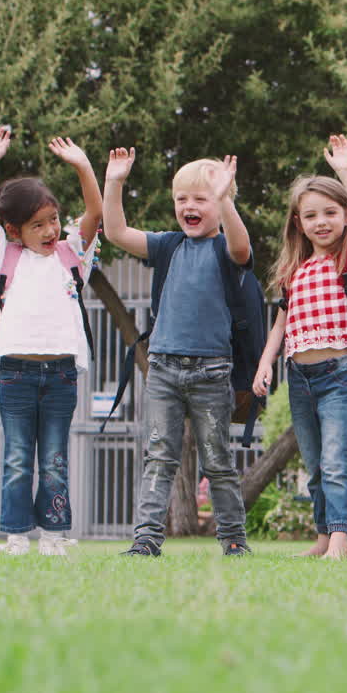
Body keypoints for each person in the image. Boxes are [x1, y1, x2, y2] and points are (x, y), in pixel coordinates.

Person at [103, 146, 253, 558]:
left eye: (201, 199)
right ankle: (146, 539)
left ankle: (233, 540)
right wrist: (114, 182)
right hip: (164, 369)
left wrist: (226, 199)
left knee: (217, 459)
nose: (189, 206)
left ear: (220, 206)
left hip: (212, 372)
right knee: (159, 456)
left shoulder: (224, 250)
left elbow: (242, 249)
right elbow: (116, 232)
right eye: (181, 199)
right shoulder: (168, 246)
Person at [0, 127, 102, 556]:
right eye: (37, 225)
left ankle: (53, 536)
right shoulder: (5, 257)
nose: (49, 231)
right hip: (15, 375)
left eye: (53, 221)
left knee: (54, 460)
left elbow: (95, 214)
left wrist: (83, 166)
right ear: (14, 230)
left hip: (61, 374)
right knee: (17, 459)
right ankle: (15, 537)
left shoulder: (70, 254)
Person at [252, 134, 347, 560]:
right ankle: (324, 536)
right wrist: (265, 364)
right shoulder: (296, 270)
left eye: (329, 213)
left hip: (339, 373)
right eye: (310, 215)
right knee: (316, 464)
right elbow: (281, 324)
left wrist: (345, 169)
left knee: (338, 459)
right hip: (299, 376)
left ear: (344, 216)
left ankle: (340, 540)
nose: (321, 222)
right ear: (298, 223)